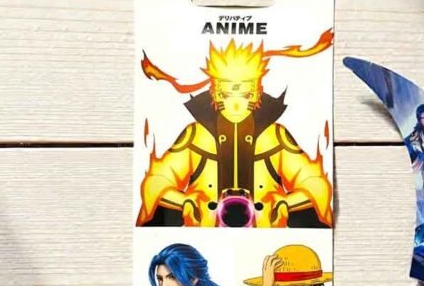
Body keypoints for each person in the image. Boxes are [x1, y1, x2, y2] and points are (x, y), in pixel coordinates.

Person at [136, 35, 334, 228]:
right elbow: (159, 179)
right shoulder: (196, 135)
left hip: (265, 232)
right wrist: (186, 201)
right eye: (226, 94)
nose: (237, 104)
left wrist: (285, 202)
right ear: (214, 93)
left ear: (258, 93)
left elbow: (312, 181)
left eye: (246, 95)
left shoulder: (274, 136)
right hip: (205, 230)